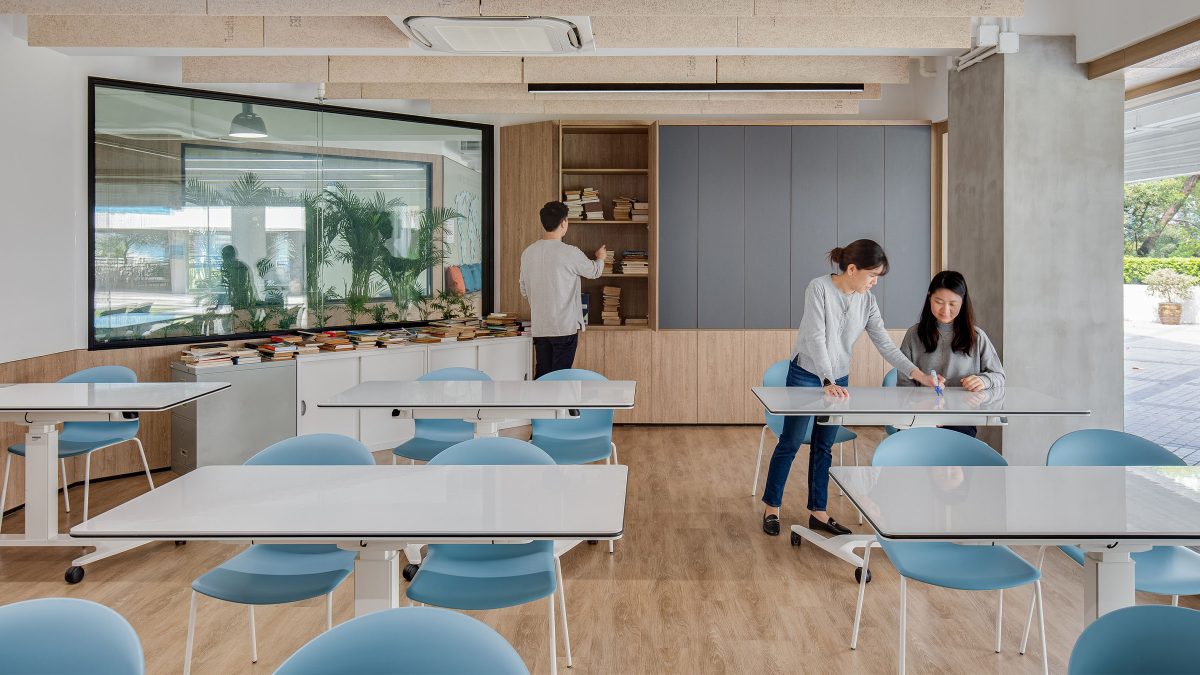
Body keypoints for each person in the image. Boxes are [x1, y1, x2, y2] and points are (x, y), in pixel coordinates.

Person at [761, 239, 940, 537]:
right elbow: (817, 338)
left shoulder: (867, 301)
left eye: (877, 278)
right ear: (852, 269)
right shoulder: (818, 288)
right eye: (872, 276)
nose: (874, 283)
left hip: (839, 381)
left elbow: (884, 343)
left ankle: (818, 512)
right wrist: (826, 379)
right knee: (790, 441)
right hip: (806, 374)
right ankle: (771, 508)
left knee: (823, 446)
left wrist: (918, 373)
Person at [897, 270, 1005, 438]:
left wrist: (983, 380)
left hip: (961, 418)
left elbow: (999, 376)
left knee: (953, 459)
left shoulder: (976, 337)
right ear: (929, 297)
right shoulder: (913, 335)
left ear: (963, 302)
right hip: (921, 416)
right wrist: (923, 408)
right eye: (938, 302)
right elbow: (904, 386)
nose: (945, 310)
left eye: (953, 304)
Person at [520, 201, 606, 379]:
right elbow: (594, 272)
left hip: (541, 327)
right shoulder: (569, 252)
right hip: (564, 328)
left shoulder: (528, 253)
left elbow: (524, 289)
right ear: (563, 223)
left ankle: (542, 408)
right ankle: (559, 408)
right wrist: (600, 258)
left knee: (543, 377)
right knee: (560, 380)